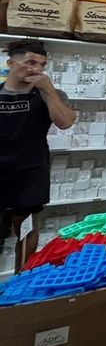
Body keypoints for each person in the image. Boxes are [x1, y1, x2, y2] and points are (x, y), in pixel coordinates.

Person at [1, 39, 75, 272]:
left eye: (42, 65)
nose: (36, 69)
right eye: (31, 62)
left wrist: (49, 90)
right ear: (10, 63)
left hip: (30, 171)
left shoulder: (48, 95)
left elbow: (65, 122)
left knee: (26, 229)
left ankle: (21, 280)